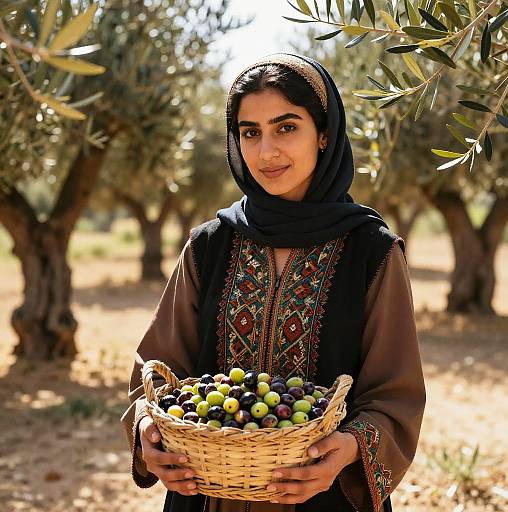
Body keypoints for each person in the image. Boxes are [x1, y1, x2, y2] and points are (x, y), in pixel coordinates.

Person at [121, 52, 426, 512]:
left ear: (324, 134)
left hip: (324, 498)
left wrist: (348, 448)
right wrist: (148, 426)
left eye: (286, 127)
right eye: (250, 132)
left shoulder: (372, 251)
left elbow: (394, 394)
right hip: (206, 496)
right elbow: (159, 366)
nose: (267, 152)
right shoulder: (209, 245)